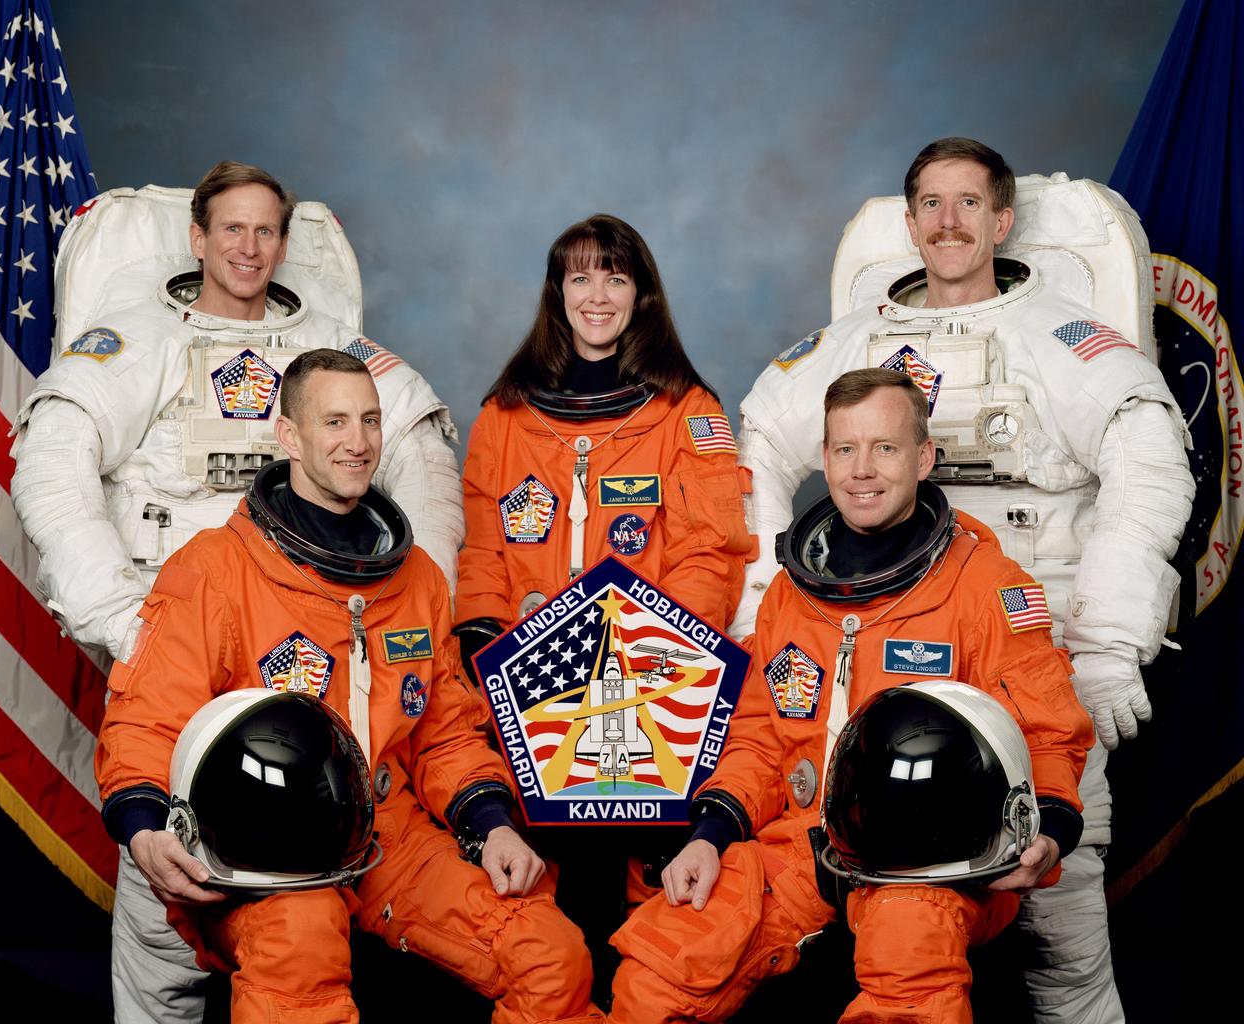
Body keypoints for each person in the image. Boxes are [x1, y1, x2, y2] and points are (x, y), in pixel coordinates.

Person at [731, 139, 1194, 1022]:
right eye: (931, 206)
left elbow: (1149, 454)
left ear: (1002, 221)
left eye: (968, 205)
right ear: (908, 226)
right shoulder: (853, 345)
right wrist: (760, 606)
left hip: (1033, 630)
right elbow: (752, 443)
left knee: (1061, 911)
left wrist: (1106, 643)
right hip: (884, 635)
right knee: (881, 882)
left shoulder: (1059, 338)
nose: (948, 223)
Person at [9, 161, 465, 1023]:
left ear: (285, 246)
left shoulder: (330, 349)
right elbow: (54, 458)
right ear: (198, 238)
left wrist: (416, 592)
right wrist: (123, 619)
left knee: (305, 881)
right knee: (169, 873)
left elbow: (421, 450)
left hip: (301, 638)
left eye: (265, 232)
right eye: (232, 229)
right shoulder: (134, 339)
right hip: (171, 632)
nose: (249, 248)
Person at [94, 348, 599, 1024]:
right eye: (334, 422)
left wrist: (493, 824)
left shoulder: (414, 576)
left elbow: (445, 731)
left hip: (389, 832)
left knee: (550, 954)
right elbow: (146, 719)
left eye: (369, 421)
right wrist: (144, 826)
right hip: (264, 843)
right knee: (298, 951)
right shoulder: (215, 570)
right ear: (288, 435)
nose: (357, 443)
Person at [609, 368, 1093, 1023]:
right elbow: (758, 733)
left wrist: (1054, 829)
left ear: (924, 458)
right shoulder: (790, 593)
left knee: (908, 966)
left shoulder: (986, 588)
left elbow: (1047, 729)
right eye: (845, 449)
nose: (862, 469)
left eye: (885, 448)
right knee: (666, 958)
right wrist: (711, 833)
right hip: (801, 842)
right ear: (825, 460)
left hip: (937, 855)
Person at [453, 213, 752, 996]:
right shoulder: (505, 413)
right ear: (557, 292)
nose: (597, 294)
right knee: (538, 898)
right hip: (529, 681)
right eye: (580, 276)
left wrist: (645, 653)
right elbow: (481, 550)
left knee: (640, 895)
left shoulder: (690, 411)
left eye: (615, 277)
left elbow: (707, 556)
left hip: (648, 681)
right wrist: (490, 649)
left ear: (641, 294)